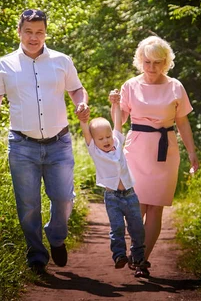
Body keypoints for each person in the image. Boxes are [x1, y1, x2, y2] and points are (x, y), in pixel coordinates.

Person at [0, 9, 90, 275]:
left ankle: (56, 236)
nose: (34, 37)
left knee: (64, 199)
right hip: (22, 145)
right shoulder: (4, 64)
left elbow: (76, 89)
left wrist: (82, 102)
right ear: (19, 32)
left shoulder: (61, 61)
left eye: (39, 32)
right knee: (28, 205)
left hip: (59, 143)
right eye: (28, 32)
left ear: (45, 32)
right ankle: (37, 256)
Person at [117, 36, 199, 272]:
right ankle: (136, 249)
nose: (151, 67)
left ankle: (141, 259)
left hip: (166, 150)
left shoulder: (175, 86)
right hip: (137, 149)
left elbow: (182, 122)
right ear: (139, 61)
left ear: (166, 63)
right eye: (147, 62)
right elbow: (120, 120)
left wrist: (192, 152)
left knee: (155, 207)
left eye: (157, 62)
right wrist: (114, 105)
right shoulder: (130, 86)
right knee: (137, 205)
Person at [79, 90, 148, 278]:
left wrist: (116, 103)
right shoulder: (95, 150)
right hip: (112, 197)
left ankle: (138, 257)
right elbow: (85, 129)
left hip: (130, 194)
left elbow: (118, 122)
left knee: (137, 228)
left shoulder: (117, 140)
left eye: (107, 136)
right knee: (117, 227)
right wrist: (82, 118)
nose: (106, 141)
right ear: (94, 141)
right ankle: (119, 255)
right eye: (100, 139)